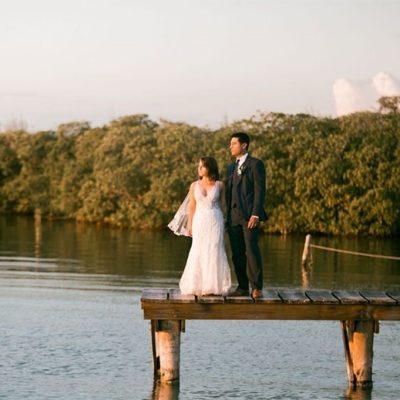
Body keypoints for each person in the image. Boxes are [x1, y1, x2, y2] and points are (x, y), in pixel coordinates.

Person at [175, 157, 231, 296]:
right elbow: (192, 206)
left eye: (202, 166)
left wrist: (227, 221)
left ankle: (212, 287)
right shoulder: (194, 185)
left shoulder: (220, 185)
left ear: (210, 167)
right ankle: (196, 285)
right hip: (199, 221)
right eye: (198, 166)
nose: (199, 169)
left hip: (215, 220)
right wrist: (189, 226)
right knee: (198, 249)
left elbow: (224, 205)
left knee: (214, 249)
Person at [225, 132, 267, 299]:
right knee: (237, 253)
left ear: (244, 145)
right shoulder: (230, 167)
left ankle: (256, 287)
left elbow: (260, 190)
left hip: (249, 216)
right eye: (230, 144)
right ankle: (242, 286)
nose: (231, 146)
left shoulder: (256, 164)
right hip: (233, 217)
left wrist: (255, 214)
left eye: (234, 143)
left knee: (252, 251)